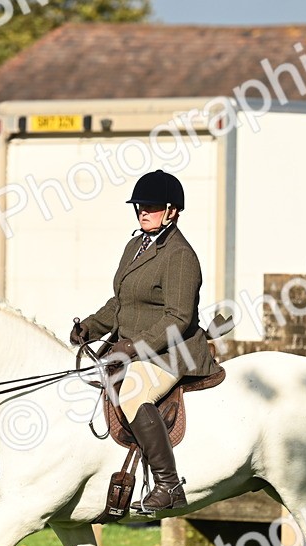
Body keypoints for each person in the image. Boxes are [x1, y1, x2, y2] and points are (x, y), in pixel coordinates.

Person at [70, 170, 218, 513]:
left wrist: (134, 346)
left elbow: (179, 318)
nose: (143, 211)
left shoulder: (179, 255)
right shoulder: (135, 246)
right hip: (132, 349)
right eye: (139, 206)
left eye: (151, 206)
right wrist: (90, 328)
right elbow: (120, 303)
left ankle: (169, 485)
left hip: (171, 353)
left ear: (172, 211)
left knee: (134, 394)